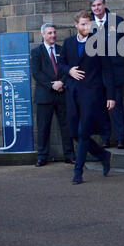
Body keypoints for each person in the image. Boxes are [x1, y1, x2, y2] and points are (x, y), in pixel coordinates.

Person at [58, 10, 116, 185]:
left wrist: (111, 96)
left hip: (92, 94)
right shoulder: (68, 43)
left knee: (83, 133)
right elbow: (60, 63)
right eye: (83, 24)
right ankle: (103, 155)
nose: (86, 27)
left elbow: (107, 69)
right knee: (75, 133)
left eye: (88, 24)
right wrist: (69, 70)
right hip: (73, 94)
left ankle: (78, 172)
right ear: (76, 25)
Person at [31, 23, 75, 167]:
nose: (53, 35)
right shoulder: (37, 52)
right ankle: (42, 157)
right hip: (45, 95)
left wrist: (61, 83)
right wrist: (52, 85)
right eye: (49, 33)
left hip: (62, 93)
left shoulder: (62, 50)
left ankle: (69, 155)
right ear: (43, 35)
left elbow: (67, 70)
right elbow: (36, 73)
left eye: (54, 32)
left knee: (66, 126)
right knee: (43, 127)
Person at [89, 0, 124, 149]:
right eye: (93, 6)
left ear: (104, 5)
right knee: (100, 106)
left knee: (116, 106)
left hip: (114, 71)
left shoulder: (117, 21)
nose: (96, 8)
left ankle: (120, 139)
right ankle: (105, 138)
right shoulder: (88, 23)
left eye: (99, 5)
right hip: (96, 73)